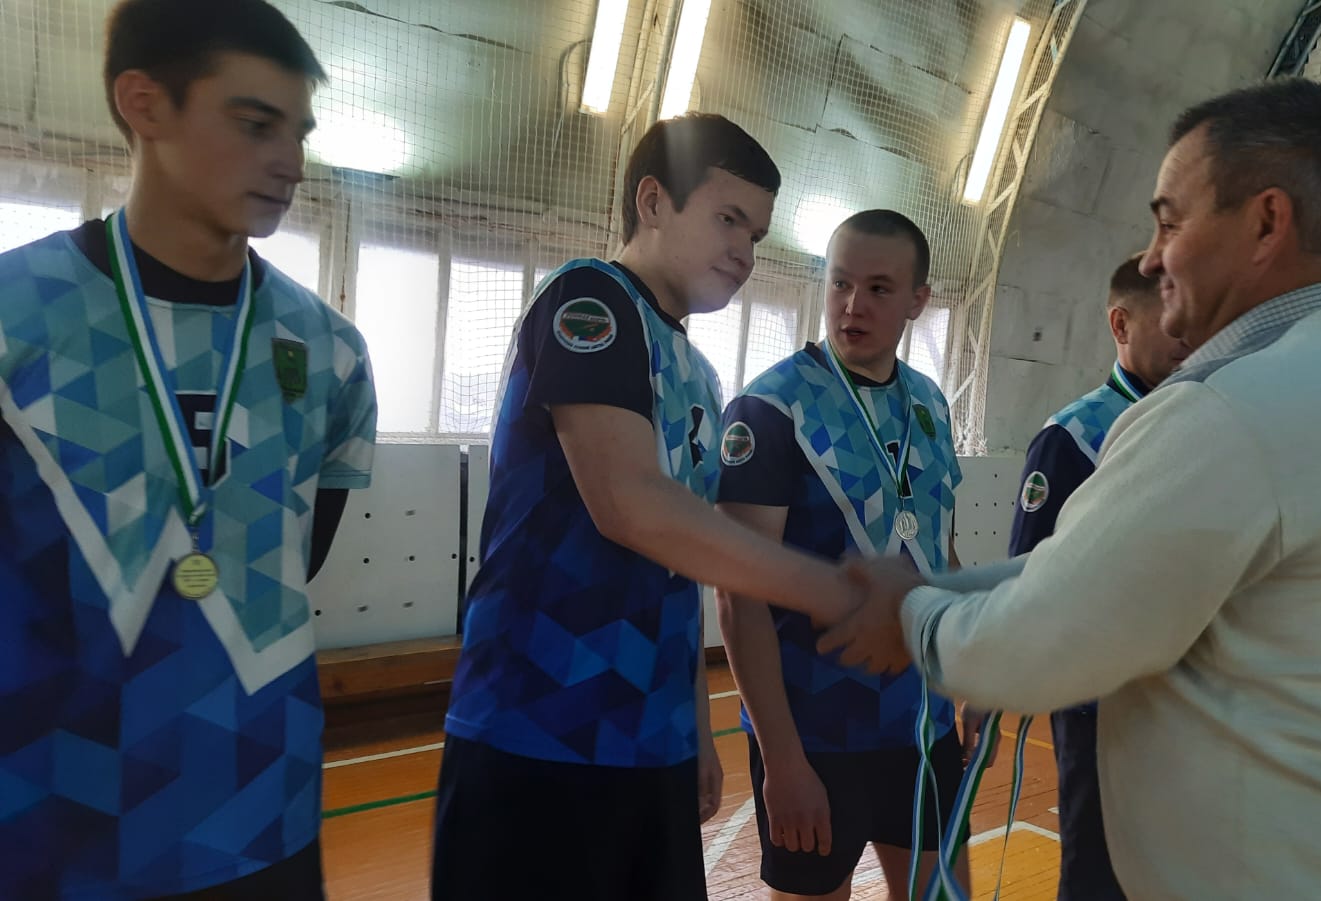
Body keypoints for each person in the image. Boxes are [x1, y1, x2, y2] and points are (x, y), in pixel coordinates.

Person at [819, 77, 1321, 899]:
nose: (1149, 257)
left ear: (1266, 223)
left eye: (1170, 221)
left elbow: (1037, 640)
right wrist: (940, 589)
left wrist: (910, 612)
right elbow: (1077, 567)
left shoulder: (1234, 411)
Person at [432, 114, 864, 901]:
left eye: (757, 233)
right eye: (728, 218)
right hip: (538, 726)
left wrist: (692, 723)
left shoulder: (700, 373)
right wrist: (831, 588)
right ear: (654, 201)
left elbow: (680, 562)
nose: (745, 250)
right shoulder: (591, 299)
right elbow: (629, 504)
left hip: (649, 739)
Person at [0, 1, 378, 897]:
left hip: (265, 807)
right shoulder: (18, 315)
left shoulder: (327, 350)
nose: (290, 163)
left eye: (298, 133)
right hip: (54, 826)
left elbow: (298, 557)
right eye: (254, 124)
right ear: (144, 104)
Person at [716, 211, 978, 901]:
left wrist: (974, 673)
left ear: (918, 300)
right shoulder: (770, 407)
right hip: (815, 734)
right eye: (840, 283)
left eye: (879, 288)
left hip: (920, 727)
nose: (853, 305)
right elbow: (738, 594)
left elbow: (942, 553)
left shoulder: (929, 404)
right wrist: (782, 760)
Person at [1007, 253, 1187, 901]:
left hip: (1193, 702)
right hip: (1104, 708)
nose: (1189, 334)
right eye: (1171, 319)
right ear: (1121, 323)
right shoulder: (1074, 437)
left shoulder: (1204, 423)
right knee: (1099, 876)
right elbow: (1028, 573)